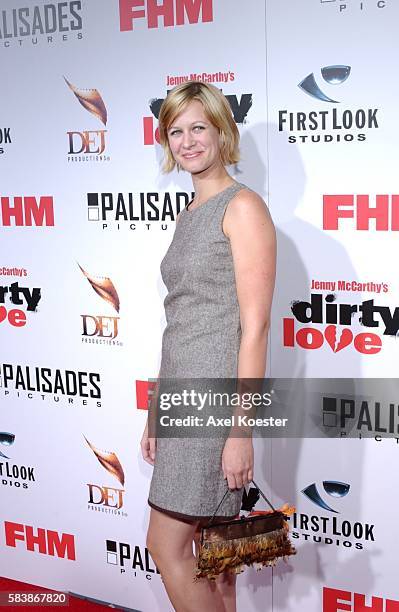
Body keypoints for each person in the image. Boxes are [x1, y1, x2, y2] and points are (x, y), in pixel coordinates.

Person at [140, 81, 276, 612]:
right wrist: (156, 409)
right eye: (176, 131)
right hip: (183, 397)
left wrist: (241, 430)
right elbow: (182, 320)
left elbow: (257, 327)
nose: (188, 141)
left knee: (166, 544)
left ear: (222, 131)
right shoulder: (190, 213)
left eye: (199, 127)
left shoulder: (242, 208)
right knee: (217, 561)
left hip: (215, 403)